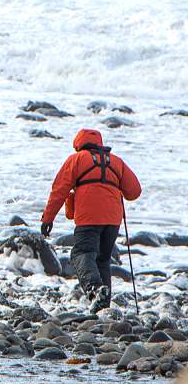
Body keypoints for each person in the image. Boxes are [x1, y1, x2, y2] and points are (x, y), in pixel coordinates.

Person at [41, 128, 142, 311]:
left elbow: (59, 190)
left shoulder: (76, 159)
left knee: (81, 254)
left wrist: (47, 219)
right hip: (113, 219)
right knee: (102, 260)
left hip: (88, 217)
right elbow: (134, 192)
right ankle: (104, 308)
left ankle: (95, 290)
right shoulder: (116, 162)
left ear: (78, 144)